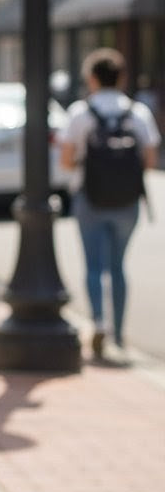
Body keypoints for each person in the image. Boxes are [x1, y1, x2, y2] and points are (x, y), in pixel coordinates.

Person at [60, 47, 159, 360]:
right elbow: (149, 159)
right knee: (118, 266)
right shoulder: (137, 113)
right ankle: (118, 333)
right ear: (121, 77)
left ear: (92, 79)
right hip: (127, 201)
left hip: (89, 198)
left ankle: (98, 321)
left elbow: (66, 160)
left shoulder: (80, 113)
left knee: (94, 266)